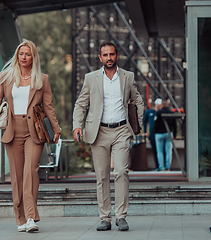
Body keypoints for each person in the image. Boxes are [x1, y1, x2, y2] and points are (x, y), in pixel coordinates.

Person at [0, 40, 61, 233]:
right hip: (12, 130)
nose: (24, 57)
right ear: (17, 56)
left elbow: (48, 106)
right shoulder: (6, 77)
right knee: (16, 176)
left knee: (30, 172)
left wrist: (56, 128)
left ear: (33, 57)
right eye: (21, 54)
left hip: (34, 130)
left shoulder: (42, 79)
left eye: (27, 54)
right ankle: (21, 219)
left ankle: (31, 217)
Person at [72, 41, 144, 231]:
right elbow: (81, 104)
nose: (109, 58)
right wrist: (77, 126)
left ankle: (121, 216)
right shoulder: (91, 78)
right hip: (99, 132)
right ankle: (105, 217)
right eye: (105, 55)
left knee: (121, 171)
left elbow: (138, 100)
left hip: (121, 130)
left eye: (112, 54)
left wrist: (138, 124)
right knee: (102, 176)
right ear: (100, 57)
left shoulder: (128, 76)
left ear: (117, 55)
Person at [154, 98, 177, 171]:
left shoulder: (158, 113)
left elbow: (155, 124)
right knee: (168, 151)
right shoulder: (171, 112)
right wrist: (175, 135)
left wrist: (155, 132)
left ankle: (161, 167)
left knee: (159, 151)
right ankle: (168, 167)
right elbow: (175, 125)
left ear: (162, 105)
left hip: (159, 133)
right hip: (169, 133)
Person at [143, 98, 162, 170]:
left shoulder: (160, 112)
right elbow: (144, 121)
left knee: (160, 150)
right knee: (155, 150)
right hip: (152, 135)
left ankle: (161, 165)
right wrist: (145, 131)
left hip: (159, 133)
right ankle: (157, 166)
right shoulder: (149, 112)